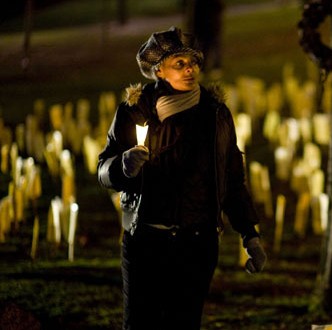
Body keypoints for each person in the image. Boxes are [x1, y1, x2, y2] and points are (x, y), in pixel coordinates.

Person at [97, 26, 266, 330]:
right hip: (146, 242)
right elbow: (103, 170)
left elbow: (232, 177)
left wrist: (249, 234)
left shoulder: (215, 114)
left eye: (194, 63)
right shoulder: (136, 110)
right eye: (180, 64)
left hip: (196, 244)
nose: (190, 70)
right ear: (159, 70)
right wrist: (122, 166)